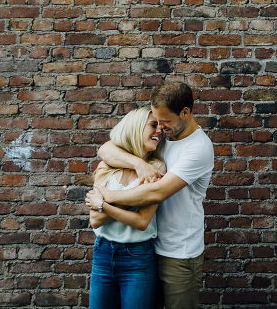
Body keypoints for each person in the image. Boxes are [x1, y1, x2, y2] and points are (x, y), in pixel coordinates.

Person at [91, 81, 214, 309]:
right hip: (148, 248)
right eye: (156, 121)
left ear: (185, 112)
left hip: (178, 252)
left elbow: (156, 192)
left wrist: (106, 198)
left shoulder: (198, 148)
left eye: (165, 121)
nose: (160, 127)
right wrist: (139, 164)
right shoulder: (166, 136)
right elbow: (105, 149)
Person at [85, 107, 166, 309]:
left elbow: (141, 222)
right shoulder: (107, 166)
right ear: (136, 127)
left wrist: (104, 204)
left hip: (137, 258)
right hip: (103, 253)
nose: (159, 131)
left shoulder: (157, 168)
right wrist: (134, 199)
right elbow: (95, 220)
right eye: (153, 125)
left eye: (161, 127)